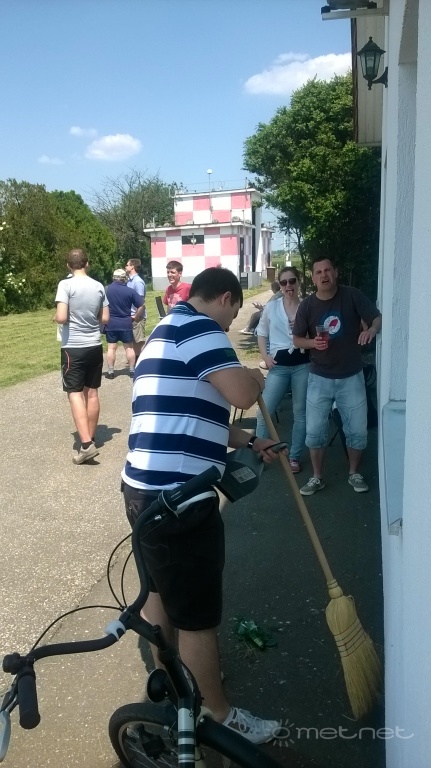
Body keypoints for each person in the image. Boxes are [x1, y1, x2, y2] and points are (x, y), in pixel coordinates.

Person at [121, 266, 283, 744]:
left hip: (142, 490)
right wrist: (255, 374)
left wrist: (249, 441)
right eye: (234, 313)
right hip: (180, 498)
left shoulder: (164, 331)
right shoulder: (202, 329)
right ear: (227, 299)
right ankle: (218, 715)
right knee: (196, 614)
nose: (231, 323)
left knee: (159, 593)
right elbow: (242, 393)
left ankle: (176, 684)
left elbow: (193, 411)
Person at [292, 257, 382, 495]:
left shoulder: (351, 295)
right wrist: (313, 343)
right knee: (314, 431)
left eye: (328, 270)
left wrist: (372, 329)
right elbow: (297, 339)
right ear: (313, 278)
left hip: (352, 375)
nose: (324, 275)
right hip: (319, 377)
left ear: (335, 273)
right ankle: (317, 477)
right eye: (319, 272)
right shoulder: (307, 306)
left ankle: (354, 473)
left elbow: (376, 317)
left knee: (358, 430)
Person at [55, 248, 109, 464]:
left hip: (73, 347)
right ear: (87, 264)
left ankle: (86, 444)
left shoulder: (65, 285)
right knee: (92, 392)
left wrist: (56, 318)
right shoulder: (98, 286)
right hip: (94, 345)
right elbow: (104, 318)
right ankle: (91, 437)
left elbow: (61, 317)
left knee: (74, 393)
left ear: (68, 266)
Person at [255, 268, 310, 473]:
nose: (288, 286)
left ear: (298, 282)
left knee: (300, 413)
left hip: (303, 365)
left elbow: (316, 335)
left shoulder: (307, 306)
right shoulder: (272, 307)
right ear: (279, 285)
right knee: (264, 412)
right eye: (284, 283)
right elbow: (261, 333)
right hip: (278, 367)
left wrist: (304, 333)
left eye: (292, 281)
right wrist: (265, 357)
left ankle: (294, 457)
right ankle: (259, 456)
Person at [104, 268, 144, 379]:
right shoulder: (129, 291)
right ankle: (132, 370)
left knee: (111, 348)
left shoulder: (107, 290)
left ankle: (111, 372)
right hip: (126, 323)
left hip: (111, 323)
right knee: (129, 348)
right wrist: (136, 316)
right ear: (124, 278)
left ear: (113, 277)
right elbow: (141, 305)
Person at [125, 259, 146, 359]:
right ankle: (135, 363)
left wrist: (136, 316)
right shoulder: (129, 281)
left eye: (127, 265)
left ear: (132, 267)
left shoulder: (138, 282)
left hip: (137, 318)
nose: (125, 267)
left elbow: (141, 302)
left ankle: (140, 363)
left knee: (139, 343)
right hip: (131, 316)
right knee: (133, 343)